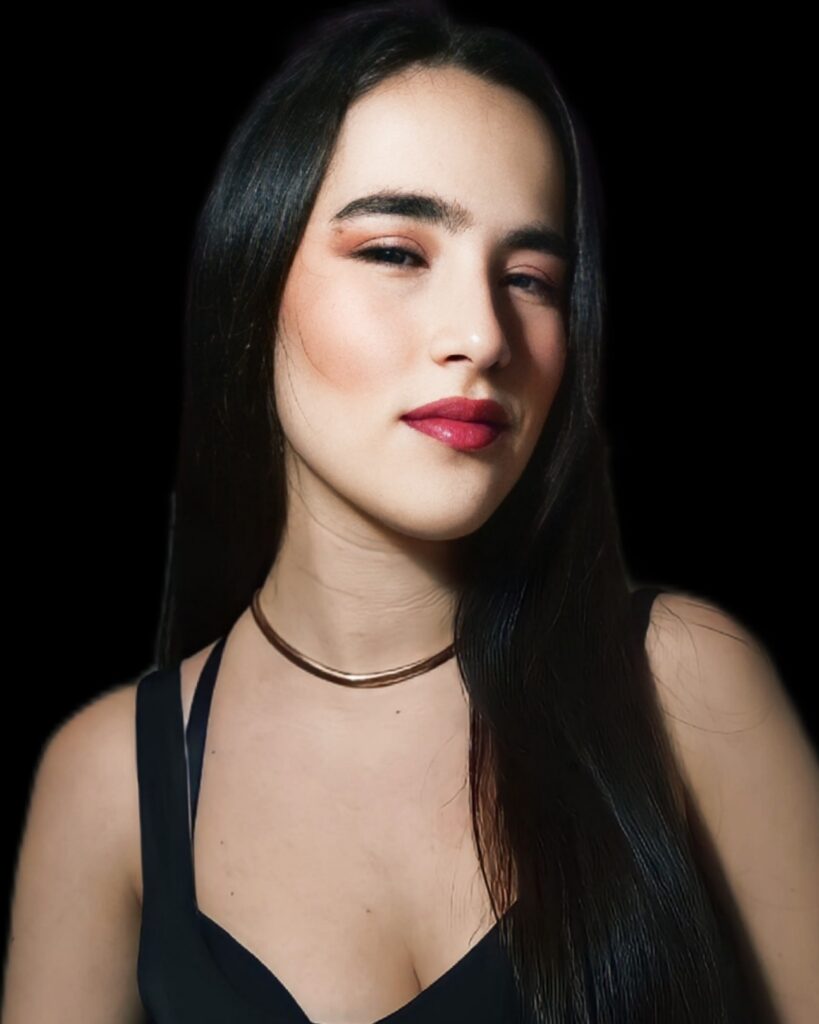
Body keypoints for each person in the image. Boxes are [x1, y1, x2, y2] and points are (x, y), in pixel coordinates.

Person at [4, 2, 817, 1022]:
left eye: (529, 278)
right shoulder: (112, 782)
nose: (483, 334)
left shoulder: (682, 685)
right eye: (396, 252)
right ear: (253, 283)